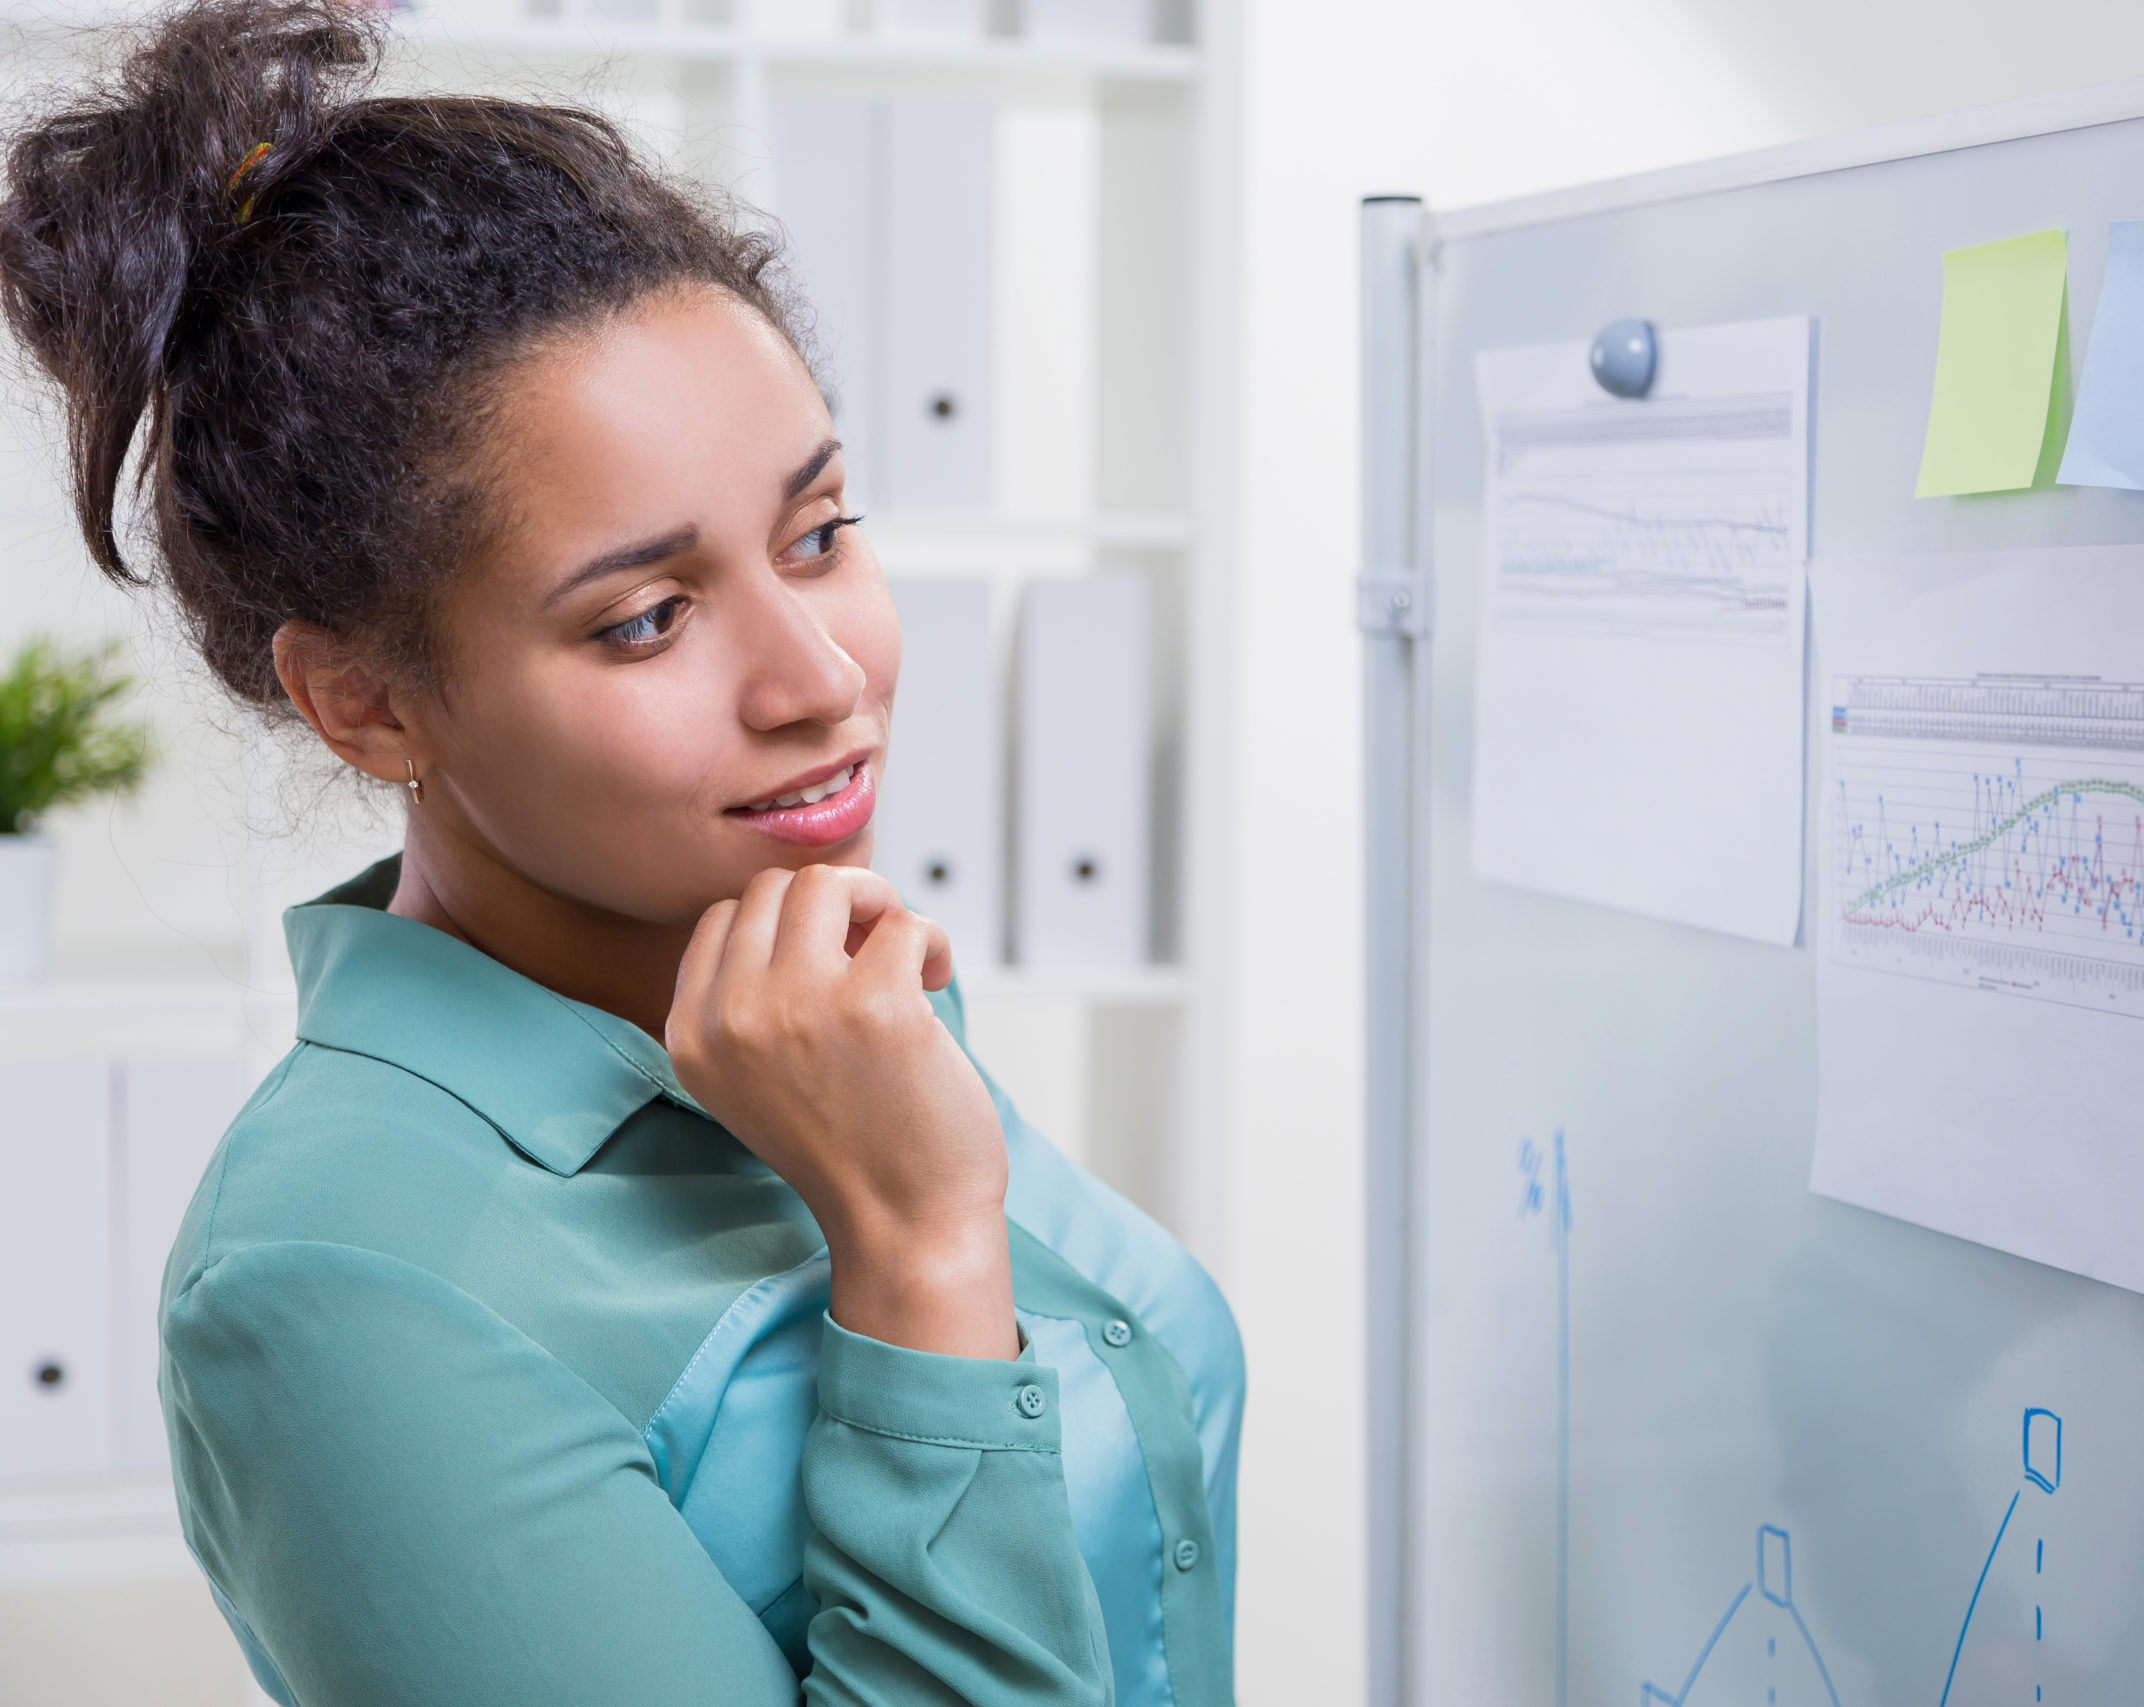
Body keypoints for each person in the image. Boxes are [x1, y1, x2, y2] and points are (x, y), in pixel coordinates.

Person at [0, 3, 1240, 1701]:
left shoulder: (815, 1004)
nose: (822, 683)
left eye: (820, 534)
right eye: (648, 619)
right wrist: (916, 1251)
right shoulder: (333, 1288)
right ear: (365, 705)